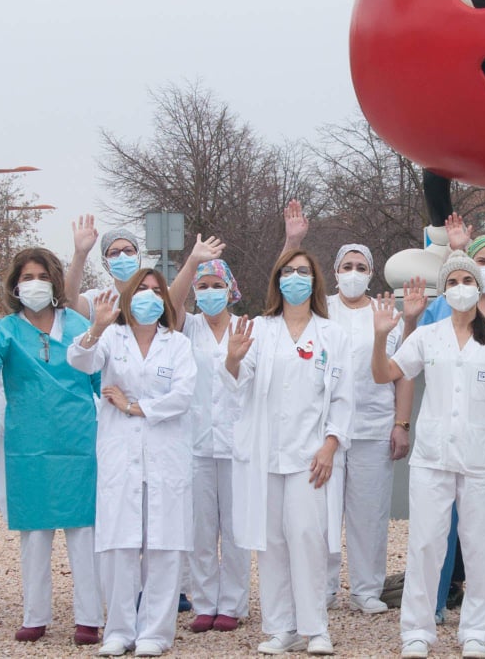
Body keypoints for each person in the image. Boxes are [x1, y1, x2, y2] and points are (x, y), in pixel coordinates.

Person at [371, 251, 485, 659]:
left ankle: (476, 632)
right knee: (425, 545)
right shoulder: (426, 336)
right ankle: (416, 630)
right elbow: (384, 374)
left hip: (482, 461)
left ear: (481, 286)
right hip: (432, 459)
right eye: (452, 282)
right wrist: (382, 335)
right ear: (444, 290)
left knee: (481, 546)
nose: (462, 289)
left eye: (468, 281)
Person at [0, 248, 105, 646]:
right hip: (29, 444)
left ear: (55, 281)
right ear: (15, 285)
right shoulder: (5, 329)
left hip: (77, 441)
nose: (34, 283)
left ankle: (89, 617)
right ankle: (35, 615)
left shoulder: (78, 324)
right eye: (27, 277)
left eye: (42, 275)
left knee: (82, 531)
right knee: (35, 535)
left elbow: (100, 379)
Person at [221, 249, 358, 656]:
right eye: (287, 271)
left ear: (315, 282)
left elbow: (343, 398)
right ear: (276, 280)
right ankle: (281, 628)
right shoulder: (259, 329)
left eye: (303, 272)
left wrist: (331, 445)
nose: (294, 278)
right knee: (271, 542)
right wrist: (232, 359)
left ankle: (315, 628)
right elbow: (239, 384)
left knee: (307, 539)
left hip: (311, 457)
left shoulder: (332, 335)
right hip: (265, 454)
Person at [68, 267, 198, 657]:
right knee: (119, 543)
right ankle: (119, 630)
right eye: (142, 289)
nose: (149, 296)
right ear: (128, 296)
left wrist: (135, 406)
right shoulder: (112, 337)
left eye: (157, 291)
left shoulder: (177, 344)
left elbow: (183, 395)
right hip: (120, 453)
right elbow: (80, 360)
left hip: (165, 453)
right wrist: (97, 325)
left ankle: (155, 632)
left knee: (163, 543)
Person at [315, 234, 412, 615]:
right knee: (323, 514)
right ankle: (320, 589)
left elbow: (403, 373)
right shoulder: (320, 310)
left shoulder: (386, 312)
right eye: (346, 267)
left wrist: (401, 423)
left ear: (371, 274)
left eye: (360, 267)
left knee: (369, 513)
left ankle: (366, 589)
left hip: (375, 426)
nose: (353, 274)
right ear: (335, 272)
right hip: (326, 431)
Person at [179, 259, 252, 634]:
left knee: (236, 529)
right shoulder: (187, 327)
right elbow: (170, 304)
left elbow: (250, 382)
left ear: (230, 289)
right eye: (202, 286)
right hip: (196, 443)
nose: (209, 293)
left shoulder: (246, 327)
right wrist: (192, 261)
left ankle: (233, 603)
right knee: (201, 529)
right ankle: (204, 602)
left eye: (215, 285)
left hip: (236, 441)